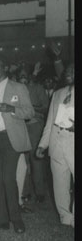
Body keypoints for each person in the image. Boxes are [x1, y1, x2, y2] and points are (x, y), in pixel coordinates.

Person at [0, 57, 34, 234]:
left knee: (8, 179)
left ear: (5, 68)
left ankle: (16, 220)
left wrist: (10, 108)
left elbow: (29, 112)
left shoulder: (18, 87)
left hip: (11, 139)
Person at [36, 63, 74, 228]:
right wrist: (43, 145)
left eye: (73, 70)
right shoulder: (58, 94)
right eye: (67, 70)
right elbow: (50, 122)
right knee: (59, 183)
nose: (68, 73)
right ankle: (66, 218)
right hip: (57, 143)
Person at [17, 65, 49, 205]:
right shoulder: (17, 89)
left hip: (35, 127)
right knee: (23, 162)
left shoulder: (38, 88)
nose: (22, 77)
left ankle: (40, 192)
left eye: (25, 74)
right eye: (20, 75)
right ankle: (25, 192)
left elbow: (46, 108)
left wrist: (31, 108)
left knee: (36, 161)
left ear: (30, 75)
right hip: (21, 127)